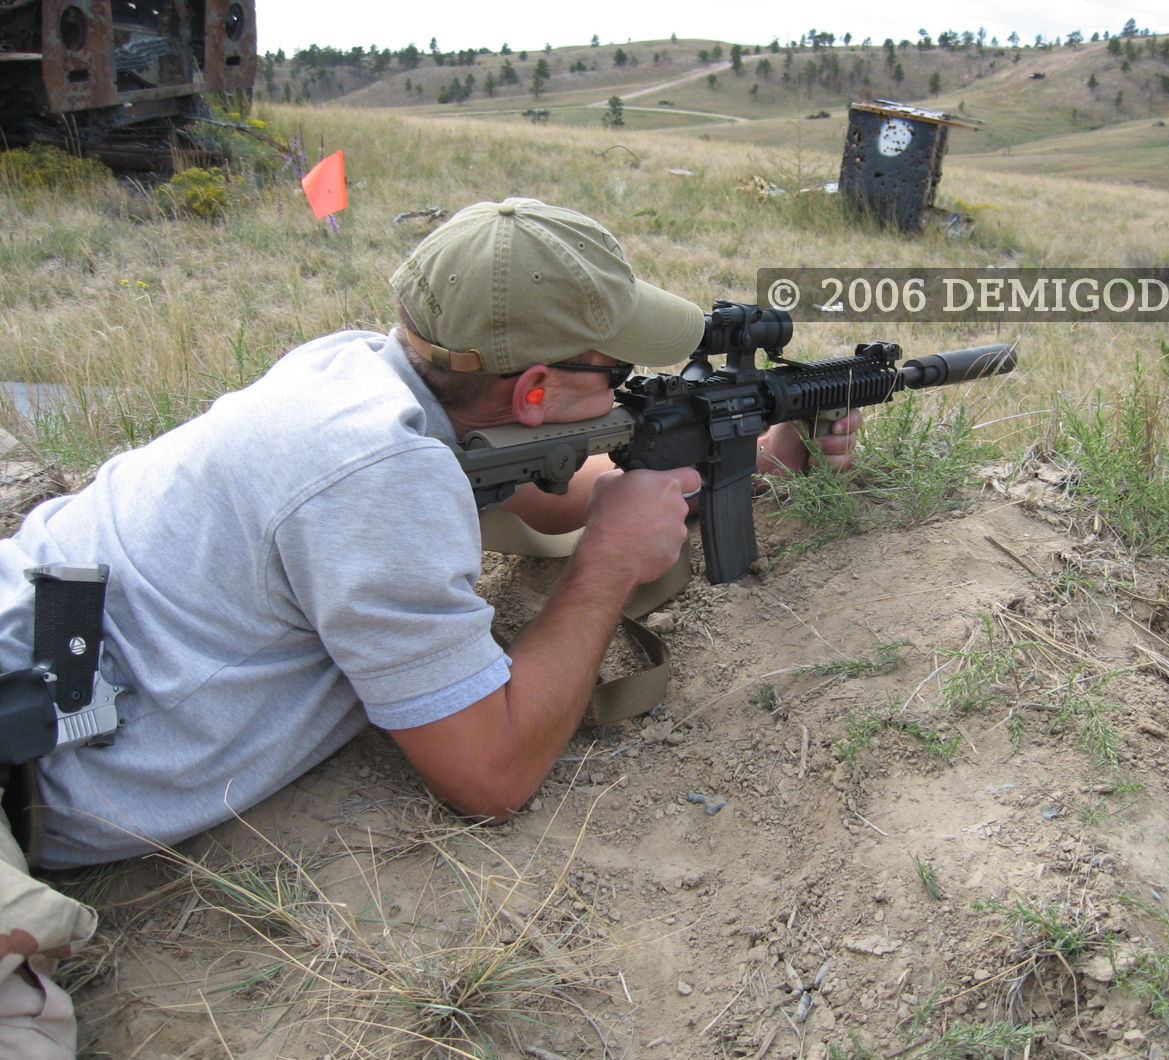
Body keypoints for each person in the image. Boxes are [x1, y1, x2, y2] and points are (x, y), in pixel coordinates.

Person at [0, 197, 859, 1055]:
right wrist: (606, 565)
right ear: (532, 389)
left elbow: (543, 480)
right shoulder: (378, 474)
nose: (632, 390)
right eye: (619, 375)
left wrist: (748, 452)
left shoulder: (353, 371)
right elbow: (489, 777)